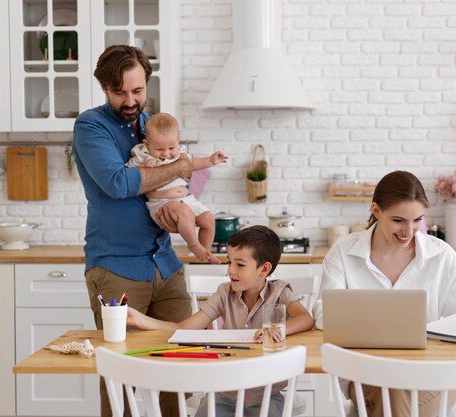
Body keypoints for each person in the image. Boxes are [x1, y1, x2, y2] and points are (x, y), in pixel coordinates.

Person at [312, 170, 456, 417]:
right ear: (376, 210)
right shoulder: (342, 253)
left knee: (394, 393)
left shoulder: (440, 254)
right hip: (364, 373)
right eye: (398, 220)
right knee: (390, 388)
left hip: (432, 372)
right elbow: (324, 315)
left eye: (417, 220)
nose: (409, 230)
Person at [73, 45, 194, 417]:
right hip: (116, 267)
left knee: (180, 366)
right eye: (119, 92)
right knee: (121, 378)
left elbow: (184, 181)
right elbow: (119, 183)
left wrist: (179, 191)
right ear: (104, 88)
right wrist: (180, 167)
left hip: (165, 264)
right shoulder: (91, 126)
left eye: (137, 91)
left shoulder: (153, 124)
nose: (130, 100)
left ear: (147, 85)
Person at [127, 225, 315, 417]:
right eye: (229, 262)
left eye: (240, 265)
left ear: (264, 269)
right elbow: (184, 328)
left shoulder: (280, 292)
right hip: (223, 391)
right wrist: (142, 320)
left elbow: (306, 318)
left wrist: (280, 328)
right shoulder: (224, 293)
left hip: (266, 394)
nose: (230, 270)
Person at [126, 112, 227, 263]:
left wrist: (210, 160)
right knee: (185, 212)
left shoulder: (180, 154)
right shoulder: (142, 155)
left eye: (171, 148)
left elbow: (193, 164)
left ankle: (205, 253)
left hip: (186, 199)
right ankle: (193, 245)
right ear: (147, 144)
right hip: (162, 203)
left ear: (178, 142)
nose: (166, 154)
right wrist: (144, 167)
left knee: (209, 219)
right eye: (160, 150)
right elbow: (127, 174)